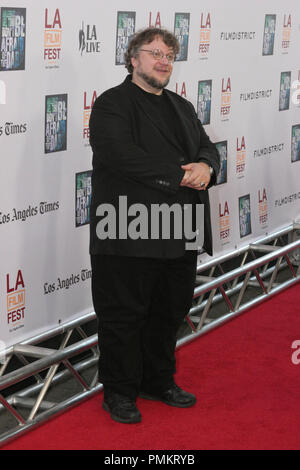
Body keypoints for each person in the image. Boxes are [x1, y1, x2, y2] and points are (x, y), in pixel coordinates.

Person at [89, 27, 220, 424]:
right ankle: (119, 392)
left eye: (169, 55)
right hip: (127, 229)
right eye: (155, 53)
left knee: (170, 310)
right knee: (123, 315)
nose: (163, 60)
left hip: (180, 228)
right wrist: (182, 175)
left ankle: (158, 380)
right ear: (133, 58)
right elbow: (120, 155)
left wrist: (207, 166)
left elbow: (206, 146)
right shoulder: (111, 104)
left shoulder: (181, 105)